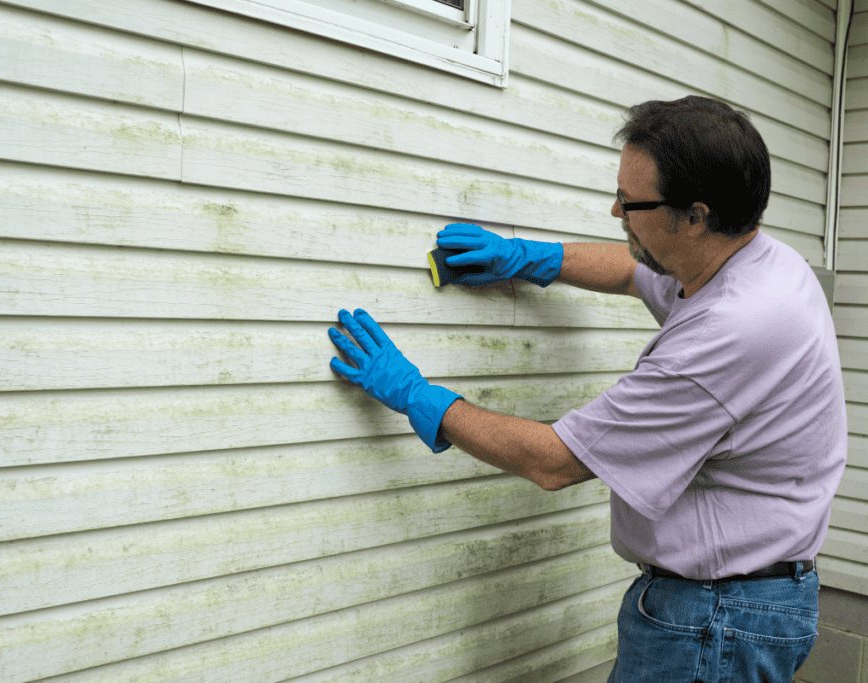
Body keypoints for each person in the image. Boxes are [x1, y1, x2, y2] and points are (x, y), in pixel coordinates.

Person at [327, 95, 847, 682]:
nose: (614, 211)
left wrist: (414, 394)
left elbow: (555, 461)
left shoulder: (731, 332)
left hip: (713, 622)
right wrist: (527, 257)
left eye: (631, 202)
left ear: (696, 215)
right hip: (741, 602)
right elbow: (633, 270)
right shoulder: (755, 259)